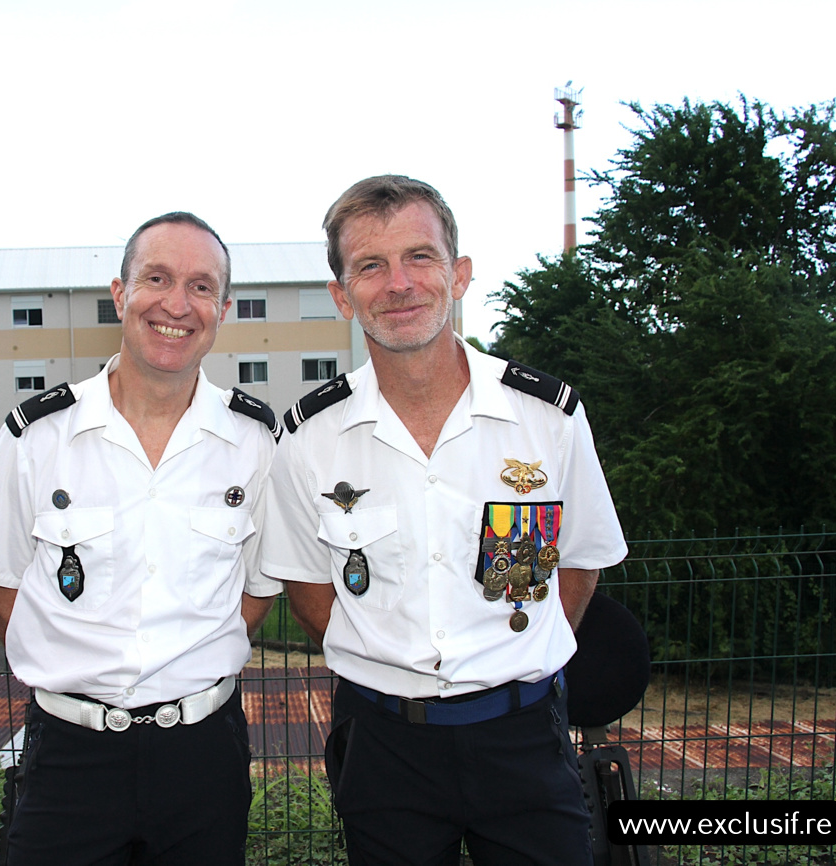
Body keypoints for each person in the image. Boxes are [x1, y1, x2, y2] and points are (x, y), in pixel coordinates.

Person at [261, 175, 627, 866]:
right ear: (343, 296)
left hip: (524, 740)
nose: (398, 283)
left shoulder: (546, 417)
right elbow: (308, 586)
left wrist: (516, 659)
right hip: (383, 745)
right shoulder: (310, 437)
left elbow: (579, 561)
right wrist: (380, 657)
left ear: (458, 274)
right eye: (370, 265)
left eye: (419, 257)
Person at [0, 212, 281, 866]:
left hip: (203, 757)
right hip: (70, 759)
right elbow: (0, 595)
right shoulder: (38, 436)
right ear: (120, 293)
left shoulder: (256, 442)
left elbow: (255, 592)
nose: (176, 304)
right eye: (156, 278)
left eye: (200, 286)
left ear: (222, 309)